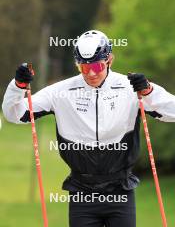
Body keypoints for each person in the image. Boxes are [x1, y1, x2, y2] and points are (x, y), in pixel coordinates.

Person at [2, 30, 175, 227]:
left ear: (109, 59)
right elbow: (14, 115)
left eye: (97, 66)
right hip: (82, 193)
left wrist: (149, 92)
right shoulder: (60, 92)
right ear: (77, 64)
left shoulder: (131, 87)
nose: (91, 73)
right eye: (84, 67)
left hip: (120, 191)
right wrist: (18, 86)